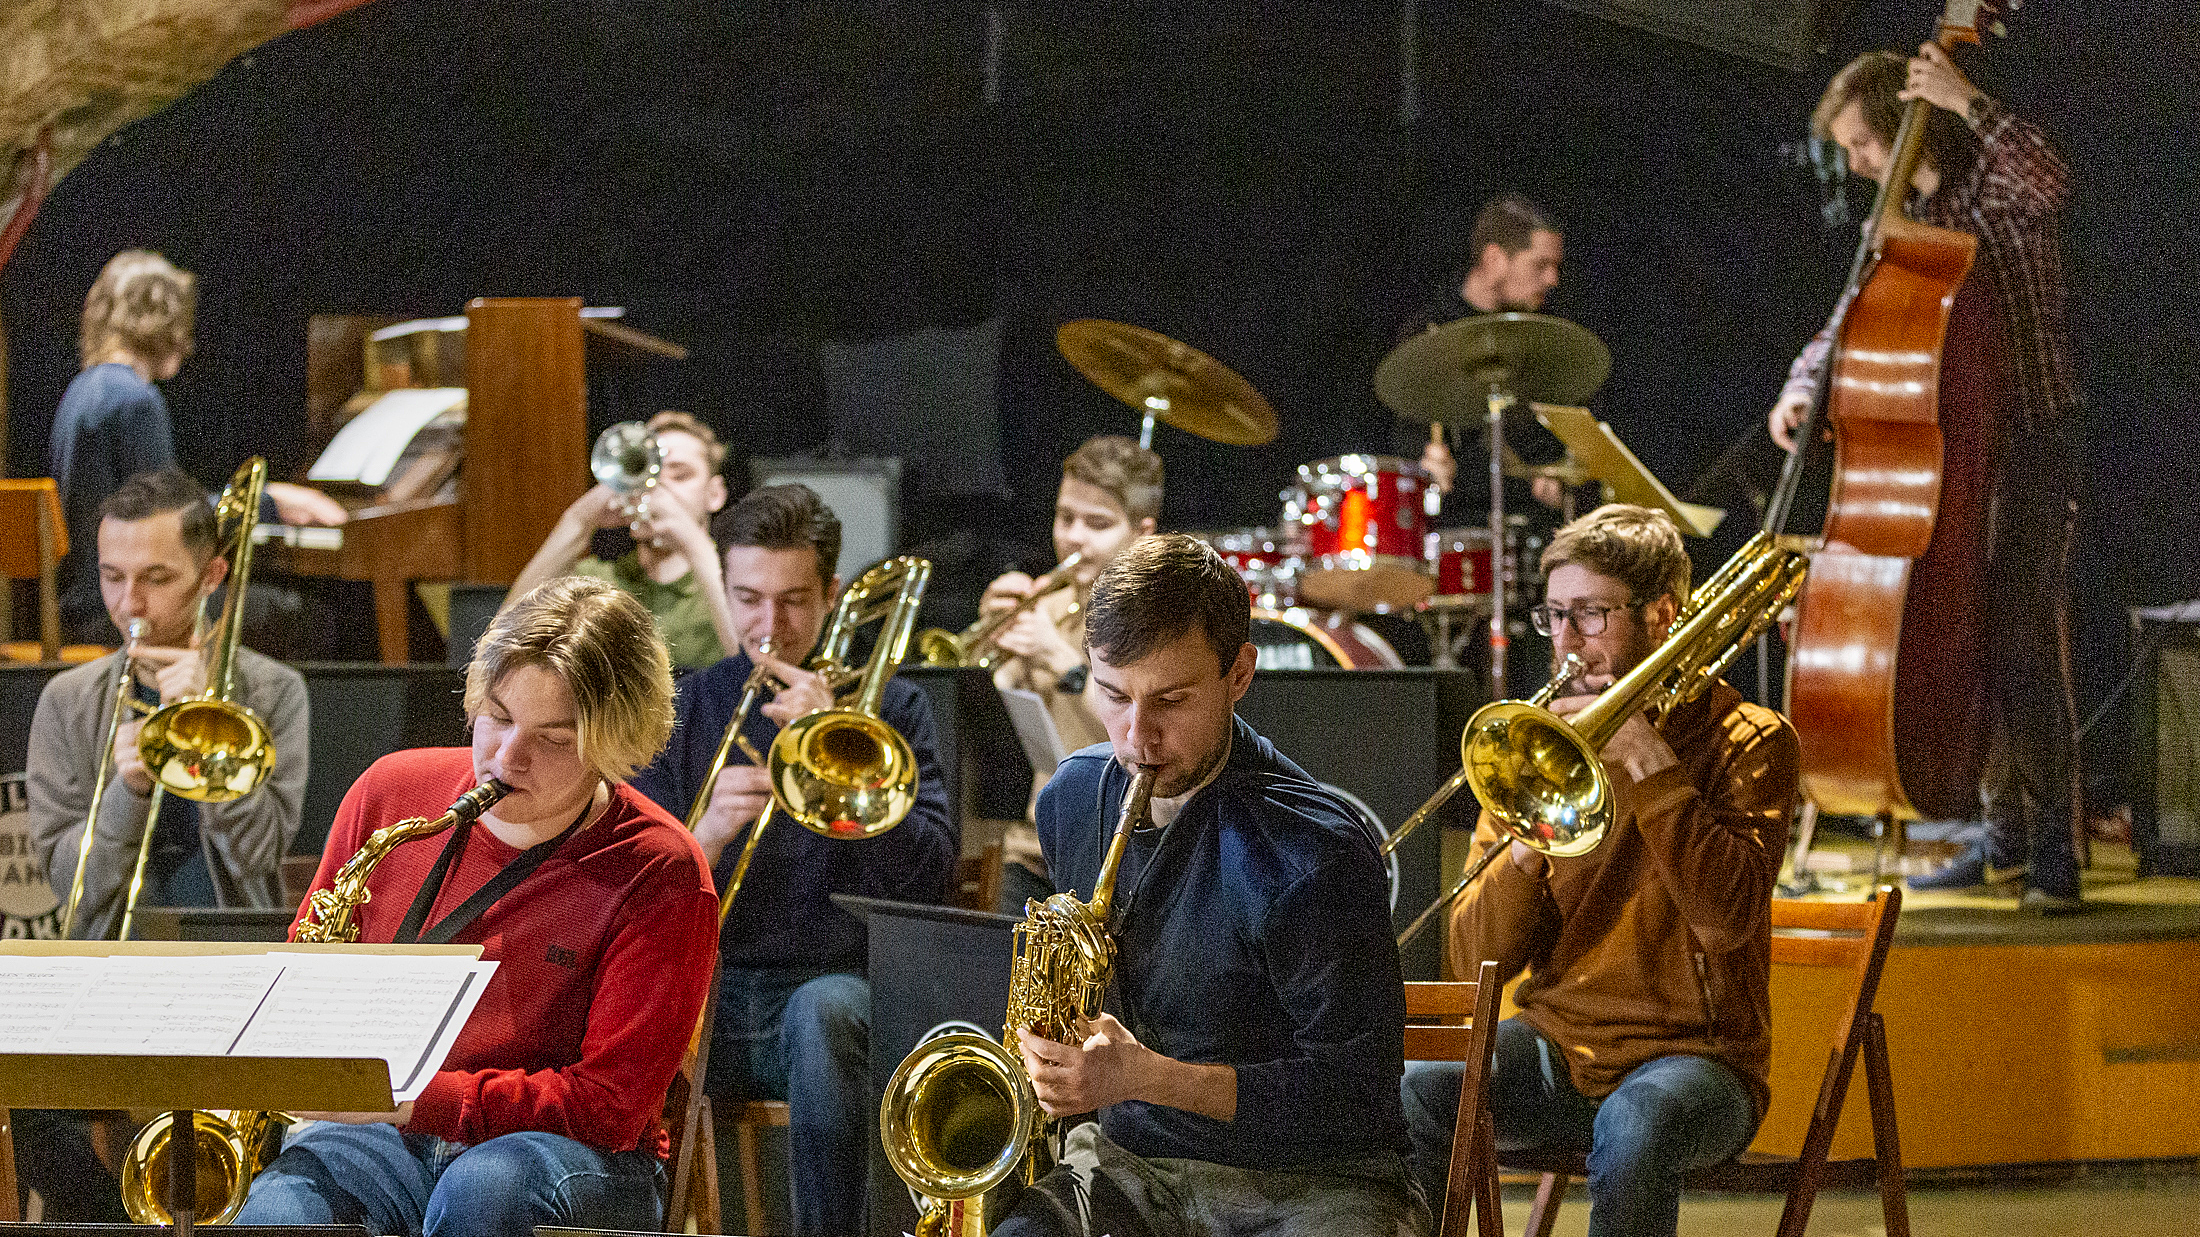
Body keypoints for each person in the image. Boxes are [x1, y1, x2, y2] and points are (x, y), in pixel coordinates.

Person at [235, 576, 718, 1235]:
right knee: (275, 1216)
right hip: (384, 1135)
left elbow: (608, 1108)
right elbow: (309, 977)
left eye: (553, 737)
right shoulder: (388, 790)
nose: (507, 756)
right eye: (498, 716)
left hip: (566, 1153)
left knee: (486, 1188)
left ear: (617, 742)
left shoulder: (661, 868)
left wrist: (415, 1100)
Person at [997, 533, 1426, 1237]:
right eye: (1112, 693)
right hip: (1130, 1165)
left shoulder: (1317, 849)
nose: (1137, 736)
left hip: (1314, 1183)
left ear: (1240, 673)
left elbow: (1356, 1100)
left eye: (1171, 699)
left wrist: (1144, 1077)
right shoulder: (1071, 797)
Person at [1399, 505, 1800, 1237]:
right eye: (1554, 615)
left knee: (1635, 1123)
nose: (1565, 642)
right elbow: (1471, 963)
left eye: (1590, 615)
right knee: (1414, 1094)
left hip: (1700, 1062)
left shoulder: (1751, 740)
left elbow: (1724, 919)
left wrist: (1650, 767)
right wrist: (1526, 844)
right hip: (1560, 1047)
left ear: (1663, 613)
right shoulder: (1538, 747)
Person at [1767, 44, 2084, 913]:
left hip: (2035, 435)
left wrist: (1965, 96)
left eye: (1866, 143)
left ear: (1909, 122)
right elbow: (1844, 322)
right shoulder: (1907, 222)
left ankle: (2056, 846)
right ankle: (1999, 836)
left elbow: (2054, 179)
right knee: (1965, 633)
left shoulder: (1989, 183)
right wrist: (1801, 389)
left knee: (2018, 638)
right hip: (1956, 454)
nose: (1865, 164)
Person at [629, 483, 953, 1237]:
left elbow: (931, 870)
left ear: (833, 594)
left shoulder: (893, 711)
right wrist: (704, 834)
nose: (769, 626)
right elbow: (627, 885)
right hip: (704, 995)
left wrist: (843, 758)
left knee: (824, 1010)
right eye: (748, 598)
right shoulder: (679, 705)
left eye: (794, 601)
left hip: (827, 995)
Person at [29, 468, 310, 937]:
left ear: (212, 576)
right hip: (111, 957)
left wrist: (210, 730)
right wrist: (129, 791)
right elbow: (70, 886)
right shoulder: (68, 701)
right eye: (112, 577)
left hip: (234, 948)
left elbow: (257, 855)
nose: (128, 604)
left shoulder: (273, 691)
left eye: (155, 579)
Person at [50, 250, 345, 642]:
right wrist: (271, 502)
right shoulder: (134, 399)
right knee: (304, 616)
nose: (187, 343)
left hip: (84, 603)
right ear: (163, 321)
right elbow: (168, 519)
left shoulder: (80, 391)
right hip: (116, 613)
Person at [980, 433, 1162, 911]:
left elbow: (1136, 731)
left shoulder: (1159, 619)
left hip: (1123, 854)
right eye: (1066, 518)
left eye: (1097, 523)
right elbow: (1006, 723)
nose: (1074, 537)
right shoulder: (1053, 604)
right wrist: (991, 633)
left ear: (1142, 534)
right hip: (1039, 848)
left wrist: (1061, 660)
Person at [509, 409, 738, 670]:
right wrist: (579, 520)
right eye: (645, 472)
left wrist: (691, 542)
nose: (656, 487)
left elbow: (749, 666)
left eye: (679, 475)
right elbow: (507, 640)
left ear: (715, 494)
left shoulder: (741, 580)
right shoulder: (596, 580)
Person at [1404, 192, 1569, 511]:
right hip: (1456, 532)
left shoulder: (1546, 337)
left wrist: (1560, 480)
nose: (1553, 279)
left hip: (1530, 527)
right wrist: (1425, 469)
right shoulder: (1429, 332)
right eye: (1541, 265)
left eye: (1555, 266)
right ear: (1494, 260)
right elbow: (1403, 443)